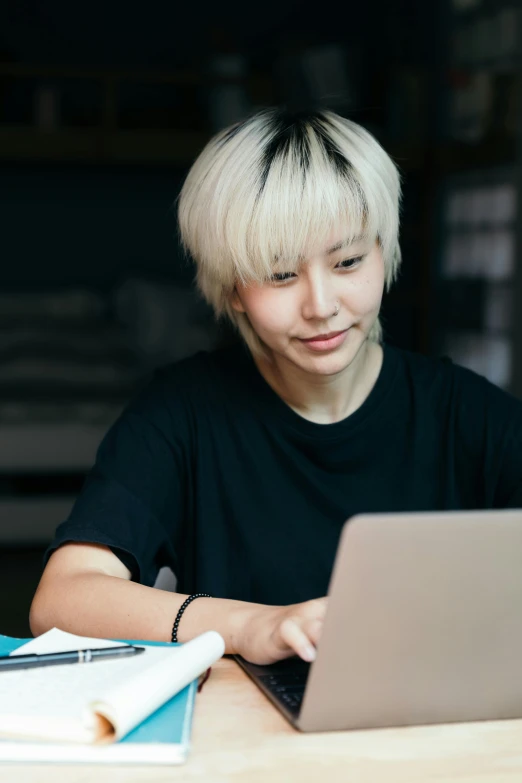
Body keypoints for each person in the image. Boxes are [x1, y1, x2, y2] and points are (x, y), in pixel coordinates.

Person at [30, 107, 522, 666]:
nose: (323, 307)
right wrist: (249, 626)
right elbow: (60, 599)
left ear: (384, 252)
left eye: (349, 261)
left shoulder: (466, 413)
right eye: (282, 274)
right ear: (233, 289)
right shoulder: (181, 414)